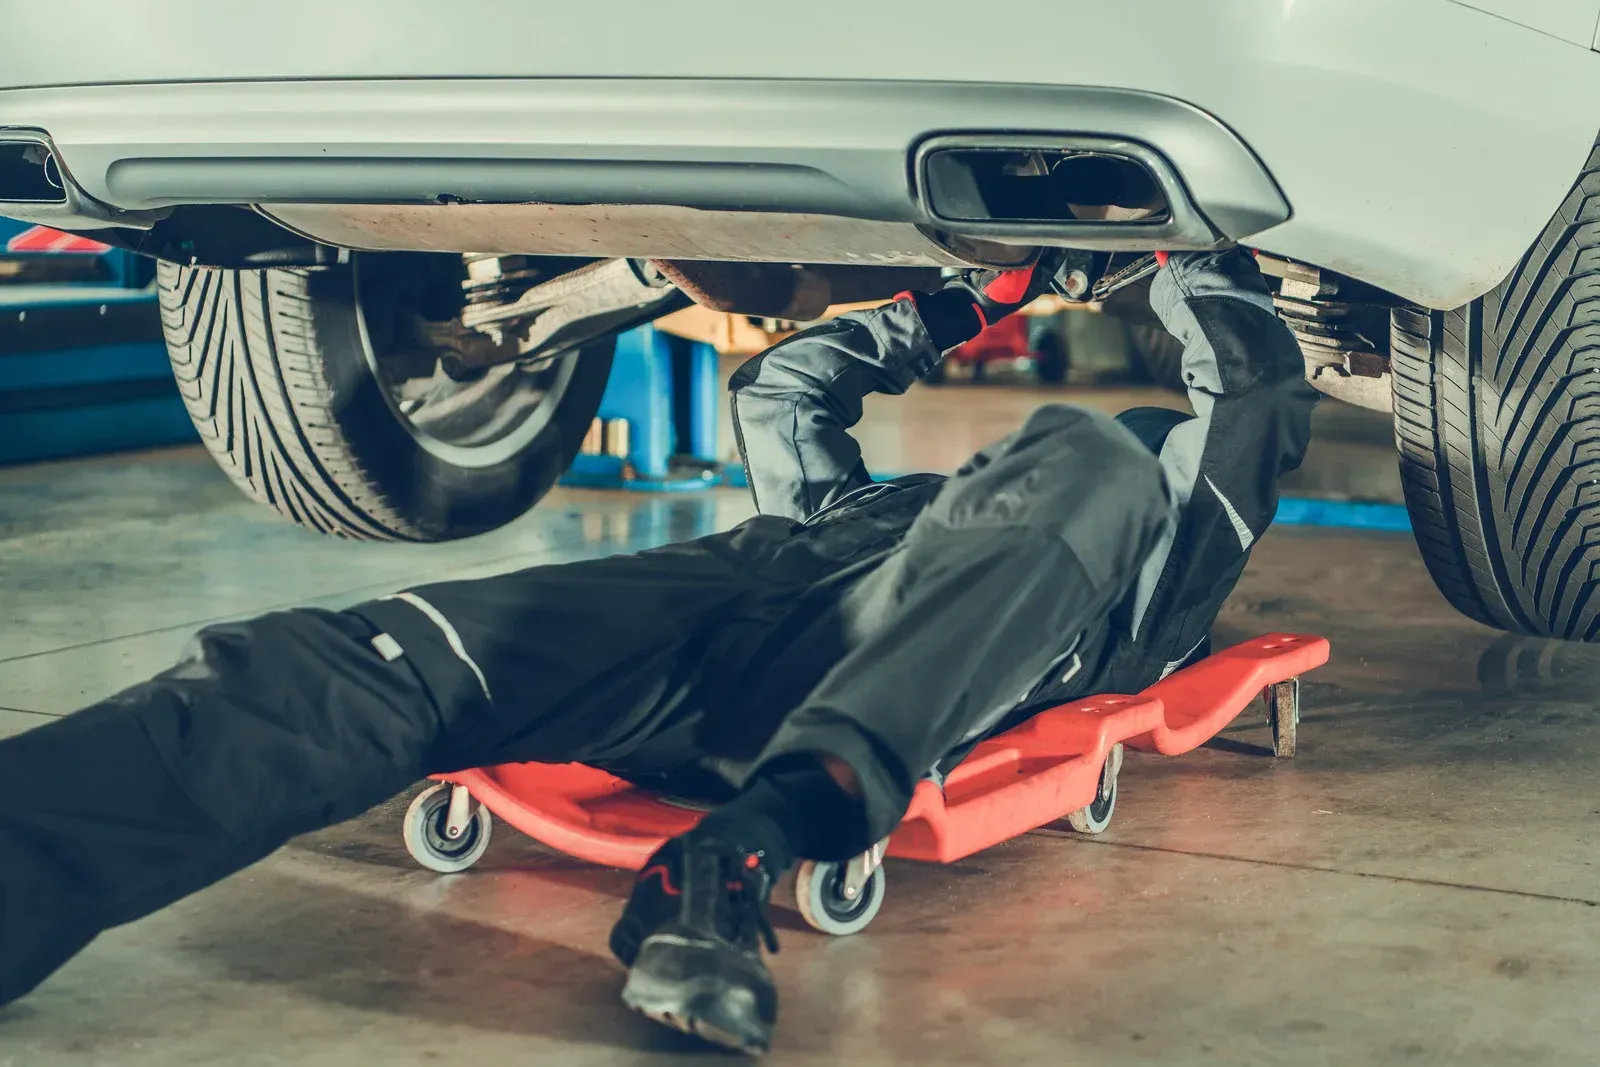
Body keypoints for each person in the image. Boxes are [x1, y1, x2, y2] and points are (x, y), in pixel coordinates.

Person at [0, 248, 1316, 1054]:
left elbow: (1250, 393)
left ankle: (745, 850)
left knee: (1087, 456)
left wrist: (1183, 262)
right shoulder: (867, 507)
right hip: (697, 621)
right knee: (346, 667)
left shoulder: (1152, 583)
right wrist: (969, 297)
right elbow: (783, 390)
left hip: (870, 690)